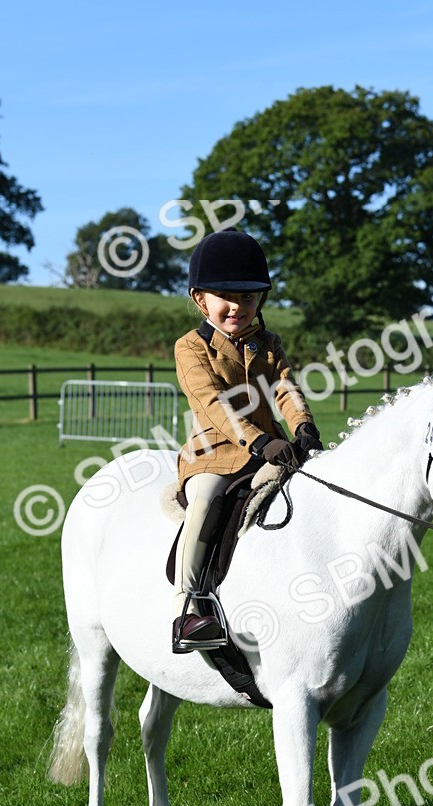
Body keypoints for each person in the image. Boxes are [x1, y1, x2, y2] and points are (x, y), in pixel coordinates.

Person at [172, 228, 322, 652]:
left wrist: (303, 428)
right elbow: (213, 404)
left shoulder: (268, 343)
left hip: (273, 448)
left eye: (249, 297)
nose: (238, 307)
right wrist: (258, 443)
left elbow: (286, 388)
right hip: (213, 456)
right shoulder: (190, 348)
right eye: (227, 298)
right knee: (205, 504)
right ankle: (190, 608)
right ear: (201, 299)